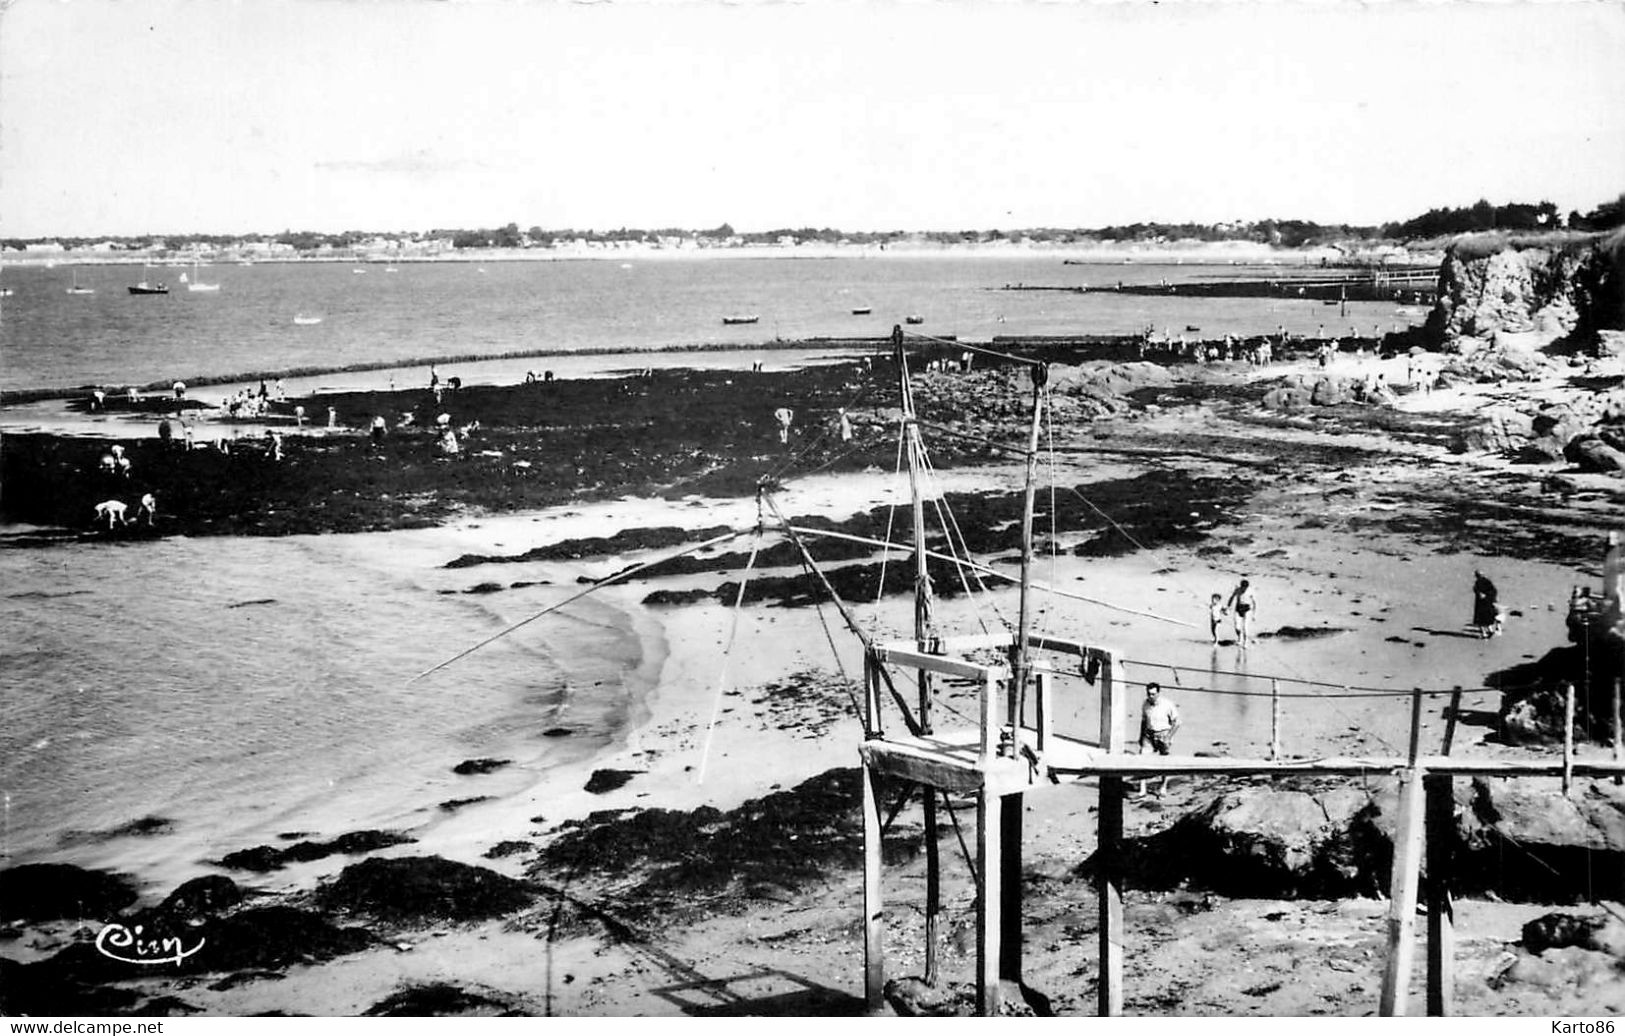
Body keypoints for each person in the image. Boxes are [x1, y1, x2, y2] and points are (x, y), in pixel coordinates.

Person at [1137, 682, 1181, 795]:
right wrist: (1140, 736)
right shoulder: (1145, 704)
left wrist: (1168, 737)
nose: (1150, 696)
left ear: (1158, 693)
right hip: (1148, 735)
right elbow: (1143, 721)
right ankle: (1142, 790)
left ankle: (1163, 788)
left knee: (1164, 763)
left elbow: (1177, 722)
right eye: (1148, 694)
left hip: (1163, 734)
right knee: (1142, 761)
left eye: (1153, 694)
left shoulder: (1167, 704)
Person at [1226, 578, 1258, 648]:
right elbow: (1232, 597)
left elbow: (1255, 603)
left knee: (1245, 627)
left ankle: (1245, 642)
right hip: (1238, 608)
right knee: (1237, 627)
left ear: (1247, 587)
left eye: (1245, 588)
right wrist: (1228, 607)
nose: (1244, 589)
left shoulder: (1250, 591)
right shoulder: (1237, 590)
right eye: (1243, 588)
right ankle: (1240, 638)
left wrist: (1254, 614)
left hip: (1247, 609)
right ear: (1241, 586)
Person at [1472, 571, 1501, 638]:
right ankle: (1489, 631)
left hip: (1483, 603)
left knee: (1481, 619)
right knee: (1485, 619)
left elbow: (1493, 591)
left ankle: (1485, 633)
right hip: (1483, 603)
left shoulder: (1484, 582)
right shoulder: (1482, 582)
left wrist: (1485, 596)